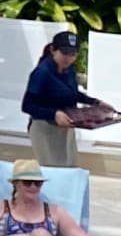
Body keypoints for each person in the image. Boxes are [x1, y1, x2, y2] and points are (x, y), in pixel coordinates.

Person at [21, 28, 84, 167]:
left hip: (66, 127)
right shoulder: (42, 72)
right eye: (64, 53)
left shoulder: (69, 70)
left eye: (73, 54)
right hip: (44, 127)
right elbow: (27, 105)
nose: (68, 58)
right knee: (52, 171)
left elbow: (71, 94)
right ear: (53, 50)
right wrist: (54, 114)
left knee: (70, 169)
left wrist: (96, 103)